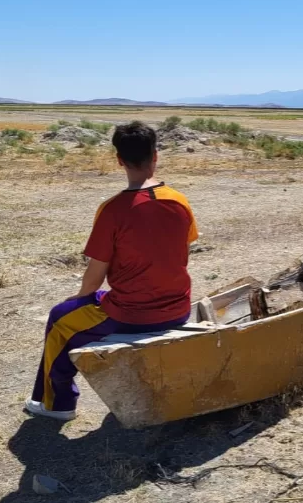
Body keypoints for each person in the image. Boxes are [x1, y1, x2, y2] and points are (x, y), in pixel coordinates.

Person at [25, 121, 198, 421]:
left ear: (119, 159)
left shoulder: (114, 210)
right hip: (179, 308)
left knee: (59, 318)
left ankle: (59, 404)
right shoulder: (179, 201)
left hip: (131, 314)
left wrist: (78, 299)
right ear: (155, 156)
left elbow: (95, 276)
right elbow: (181, 252)